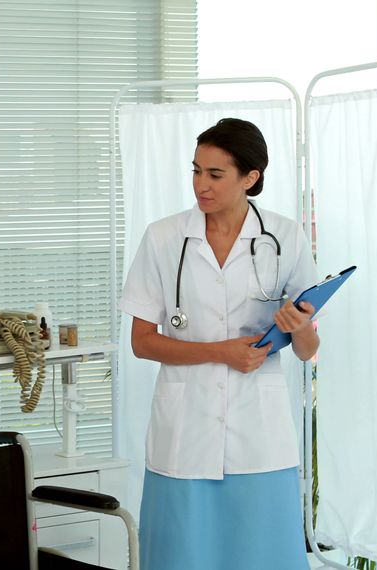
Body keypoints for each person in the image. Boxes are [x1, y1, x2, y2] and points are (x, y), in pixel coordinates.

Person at [119, 118, 319, 569]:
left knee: (263, 557)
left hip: (259, 436)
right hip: (185, 433)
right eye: (195, 171)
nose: (200, 185)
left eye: (215, 174)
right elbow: (142, 342)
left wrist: (299, 325)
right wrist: (221, 351)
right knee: (181, 557)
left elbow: (306, 349)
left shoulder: (284, 238)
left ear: (251, 178)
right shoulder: (164, 238)